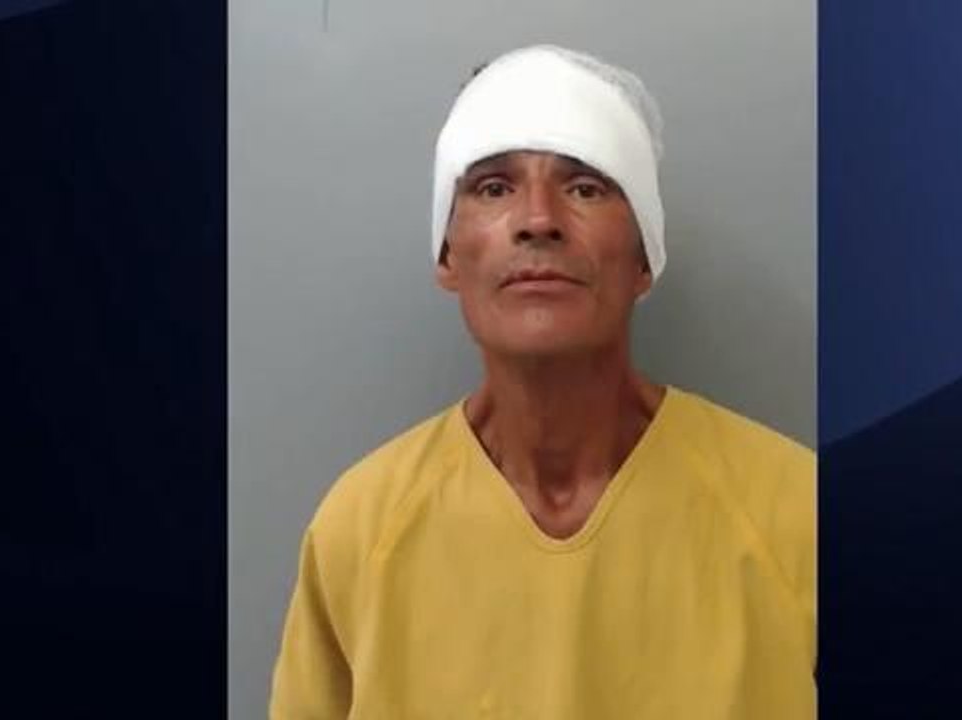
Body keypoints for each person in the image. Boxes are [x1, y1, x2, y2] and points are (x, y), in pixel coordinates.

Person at [269, 44, 815, 719]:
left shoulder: (796, 515)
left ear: (645, 258)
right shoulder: (360, 530)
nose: (538, 220)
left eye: (585, 187)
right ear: (447, 254)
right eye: (494, 188)